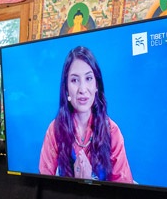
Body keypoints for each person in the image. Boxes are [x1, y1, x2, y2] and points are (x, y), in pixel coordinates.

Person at [39, 46, 133, 182]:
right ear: (66, 89)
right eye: (74, 80)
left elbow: (124, 189)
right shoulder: (55, 129)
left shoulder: (111, 130)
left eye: (88, 78)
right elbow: (44, 182)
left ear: (96, 85)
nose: (82, 89)